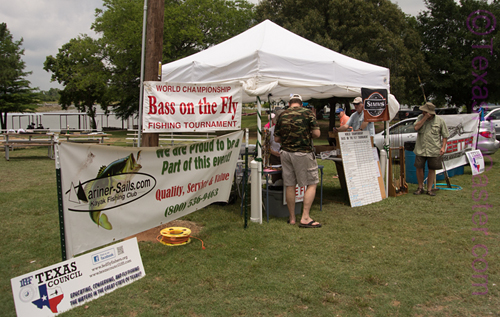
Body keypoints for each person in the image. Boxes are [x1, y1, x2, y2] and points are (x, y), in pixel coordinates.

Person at [274, 94, 321, 228]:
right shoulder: (308, 113)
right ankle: (305, 217)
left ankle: (292, 217)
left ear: (289, 104)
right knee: (312, 183)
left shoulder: (282, 115)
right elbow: (317, 134)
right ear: (301, 103)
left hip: (285, 153)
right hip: (303, 153)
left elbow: (276, 139)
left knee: (290, 184)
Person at [413, 102, 449, 196]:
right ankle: (420, 187)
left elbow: (445, 135)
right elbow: (416, 127)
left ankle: (429, 189)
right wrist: (424, 118)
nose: (423, 112)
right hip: (421, 148)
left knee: (432, 169)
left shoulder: (440, 121)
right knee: (419, 168)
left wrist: (443, 147)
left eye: (425, 111)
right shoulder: (420, 118)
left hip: (434, 149)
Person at [268, 109, 284, 183]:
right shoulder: (270, 131)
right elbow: (265, 146)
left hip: (287, 157)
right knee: (277, 179)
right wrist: (273, 152)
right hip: (275, 158)